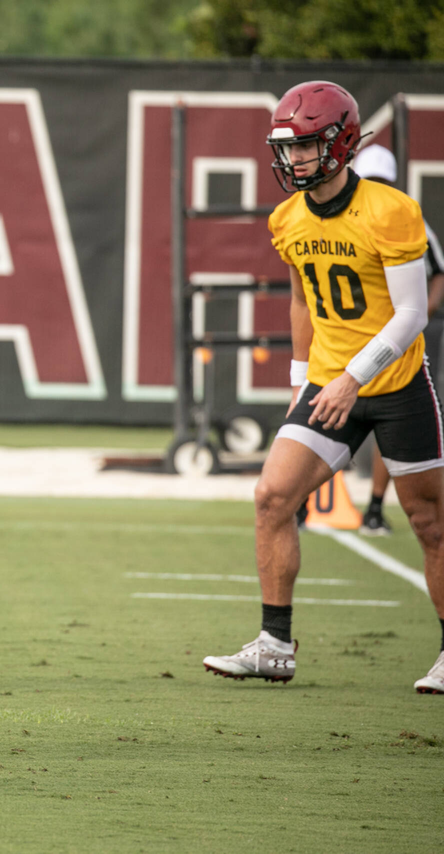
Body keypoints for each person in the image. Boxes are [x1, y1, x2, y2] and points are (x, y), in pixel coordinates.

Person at [202, 81, 444, 695]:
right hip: (329, 382)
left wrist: (352, 378)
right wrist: (300, 379)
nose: (293, 160)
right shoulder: (288, 218)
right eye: (287, 149)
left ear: (338, 143)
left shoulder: (390, 210)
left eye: (305, 147)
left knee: (430, 522)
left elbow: (413, 313)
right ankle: (275, 646)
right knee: (272, 496)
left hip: (394, 384)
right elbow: (303, 302)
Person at [348, 144, 444, 537]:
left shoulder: (410, 222)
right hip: (350, 336)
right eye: (369, 182)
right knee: (327, 417)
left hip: (397, 343)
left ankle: (373, 507)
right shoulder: (341, 219)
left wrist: (422, 314)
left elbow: (439, 272)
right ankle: (304, 504)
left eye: (381, 183)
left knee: (391, 424)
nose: (375, 190)